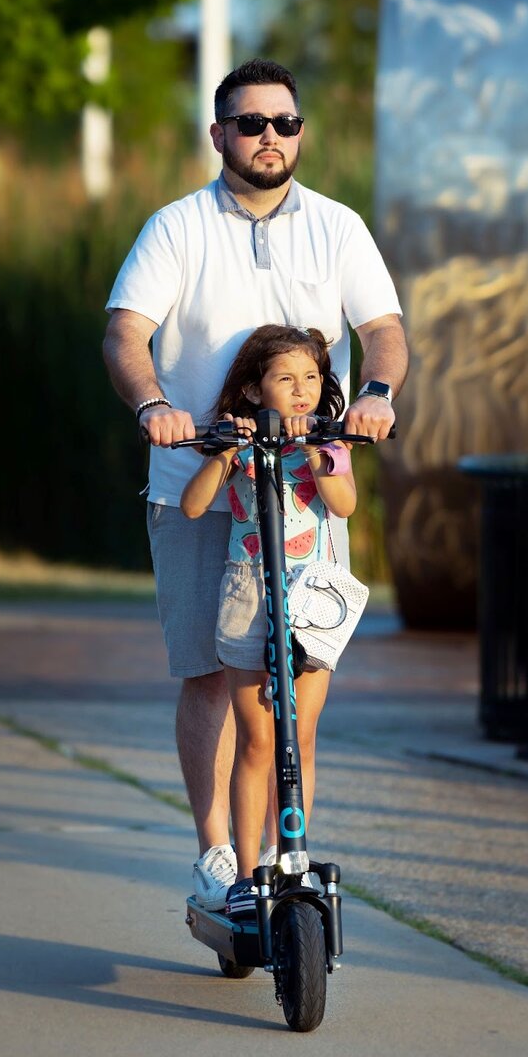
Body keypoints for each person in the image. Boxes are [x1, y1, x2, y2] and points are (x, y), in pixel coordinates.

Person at [103, 57, 408, 909]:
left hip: (306, 495)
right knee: (209, 674)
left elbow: (382, 331)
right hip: (201, 484)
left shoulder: (339, 228)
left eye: (284, 123)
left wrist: (376, 395)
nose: (268, 138)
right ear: (219, 134)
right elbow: (127, 333)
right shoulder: (177, 227)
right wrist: (155, 403)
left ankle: (279, 855)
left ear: (300, 132)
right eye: (250, 123)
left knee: (300, 692)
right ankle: (216, 857)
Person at [180, 325, 356, 916]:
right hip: (250, 597)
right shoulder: (238, 442)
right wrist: (229, 451)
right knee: (256, 740)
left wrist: (315, 450)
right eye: (286, 379)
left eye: (312, 378)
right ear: (255, 391)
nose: (302, 390)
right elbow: (194, 504)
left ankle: (292, 859)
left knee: (300, 735)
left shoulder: (329, 444)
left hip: (312, 601)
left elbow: (344, 504)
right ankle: (251, 874)